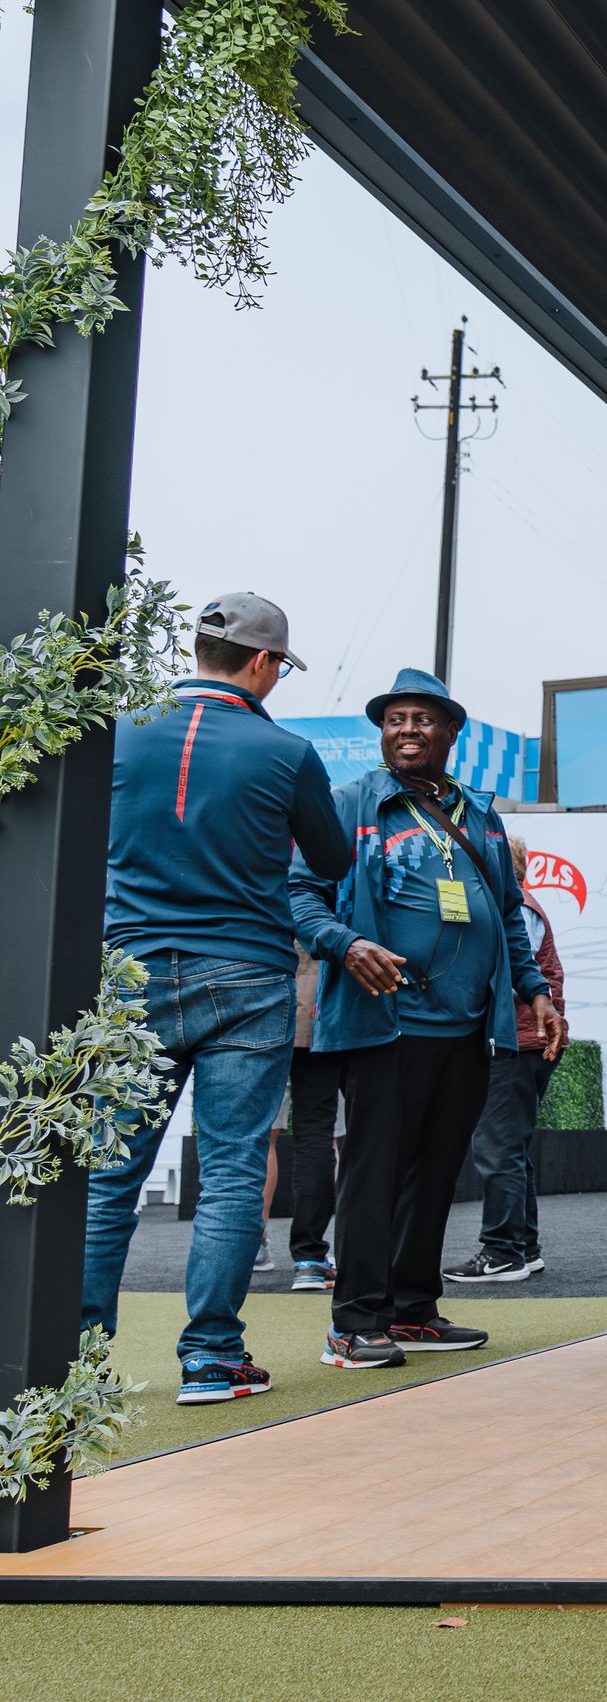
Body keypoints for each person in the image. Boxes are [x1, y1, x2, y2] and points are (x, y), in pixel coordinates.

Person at [82, 595, 350, 1407]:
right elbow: (332, 860)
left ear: (198, 648)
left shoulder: (120, 728)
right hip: (244, 974)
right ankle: (211, 1359)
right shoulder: (286, 750)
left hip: (129, 973)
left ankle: (71, 1357)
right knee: (233, 1173)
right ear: (265, 664)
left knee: (107, 1179)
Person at [292, 668, 562, 1371]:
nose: (406, 730)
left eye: (421, 719)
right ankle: (354, 1323)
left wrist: (532, 989)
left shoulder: (481, 816)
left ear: (451, 731)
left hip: (469, 1025)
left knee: (437, 1172)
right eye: (394, 719)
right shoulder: (350, 803)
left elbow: (505, 912)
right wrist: (345, 943)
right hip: (385, 1024)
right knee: (373, 1171)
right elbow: (296, 893)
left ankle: (412, 1309)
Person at [445, 840, 568, 1284]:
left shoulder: (520, 908)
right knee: (510, 1148)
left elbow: (516, 969)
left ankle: (501, 1252)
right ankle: (522, 1247)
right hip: (522, 1040)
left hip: (517, 1042)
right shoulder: (519, 904)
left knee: (498, 1148)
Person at [278, 949, 341, 1293]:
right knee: (316, 1135)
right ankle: (309, 1259)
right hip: (318, 1012)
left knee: (247, 1139)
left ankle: (243, 1254)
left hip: (259, 1007)